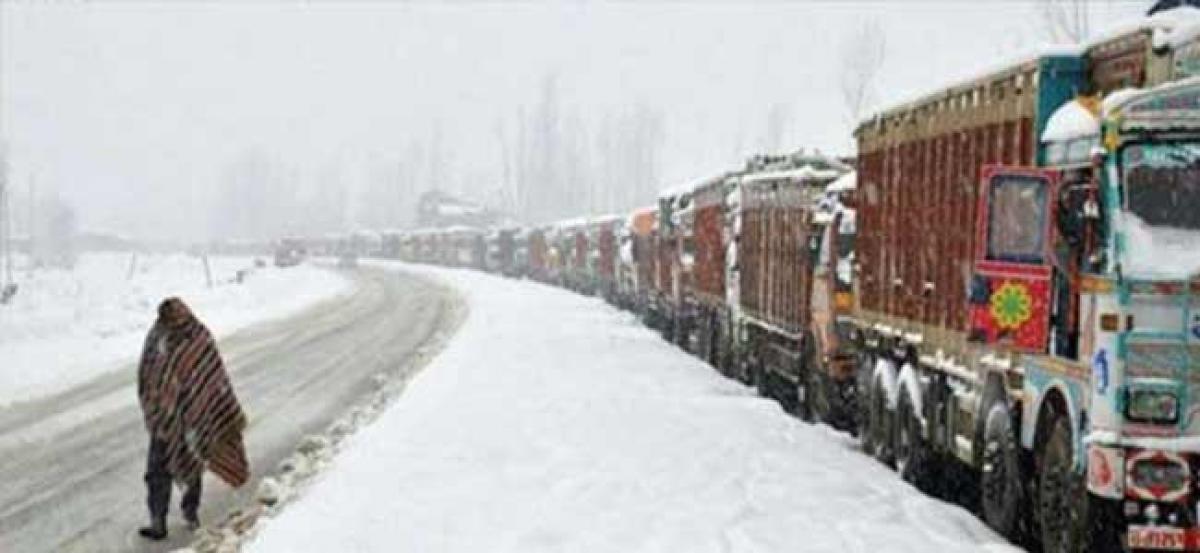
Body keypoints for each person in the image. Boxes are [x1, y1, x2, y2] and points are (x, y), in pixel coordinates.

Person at [136, 297, 249, 540]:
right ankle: (158, 521)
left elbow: (211, 375)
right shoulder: (158, 336)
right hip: (164, 419)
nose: (169, 323)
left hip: (193, 418)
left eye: (172, 318)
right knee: (156, 469)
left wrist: (201, 408)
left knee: (191, 465)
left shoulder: (198, 337)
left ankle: (190, 514)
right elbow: (146, 373)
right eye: (165, 319)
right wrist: (155, 406)